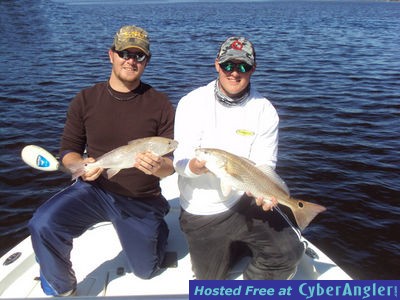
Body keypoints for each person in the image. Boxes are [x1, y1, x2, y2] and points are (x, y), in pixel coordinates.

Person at [28, 25, 175, 296]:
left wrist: (158, 167)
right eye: (124, 53)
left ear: (146, 62)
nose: (131, 60)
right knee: (43, 223)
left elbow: (170, 166)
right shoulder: (85, 99)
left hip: (141, 198)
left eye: (139, 56)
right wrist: (82, 167)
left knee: (146, 271)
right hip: (96, 190)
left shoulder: (160, 103)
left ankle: (158, 225)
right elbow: (69, 153)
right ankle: (60, 285)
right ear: (111, 55)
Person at [173, 36, 305, 280]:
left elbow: (265, 163)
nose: (235, 73)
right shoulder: (191, 103)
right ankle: (232, 248)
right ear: (217, 65)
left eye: (243, 66)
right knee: (210, 282)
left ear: (253, 69)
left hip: (246, 201)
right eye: (228, 65)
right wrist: (194, 166)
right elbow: (180, 162)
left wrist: (269, 195)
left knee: (289, 255)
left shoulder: (264, 109)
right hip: (202, 211)